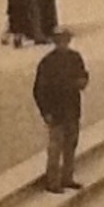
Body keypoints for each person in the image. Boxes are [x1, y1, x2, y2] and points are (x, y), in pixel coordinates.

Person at [33, 27, 89, 193]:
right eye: (60, 41)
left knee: (71, 144)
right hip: (56, 111)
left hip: (72, 108)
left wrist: (83, 81)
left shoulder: (75, 58)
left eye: (65, 40)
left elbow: (83, 75)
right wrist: (46, 112)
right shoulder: (47, 62)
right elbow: (39, 90)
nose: (63, 44)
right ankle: (53, 181)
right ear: (55, 42)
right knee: (55, 147)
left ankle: (67, 177)